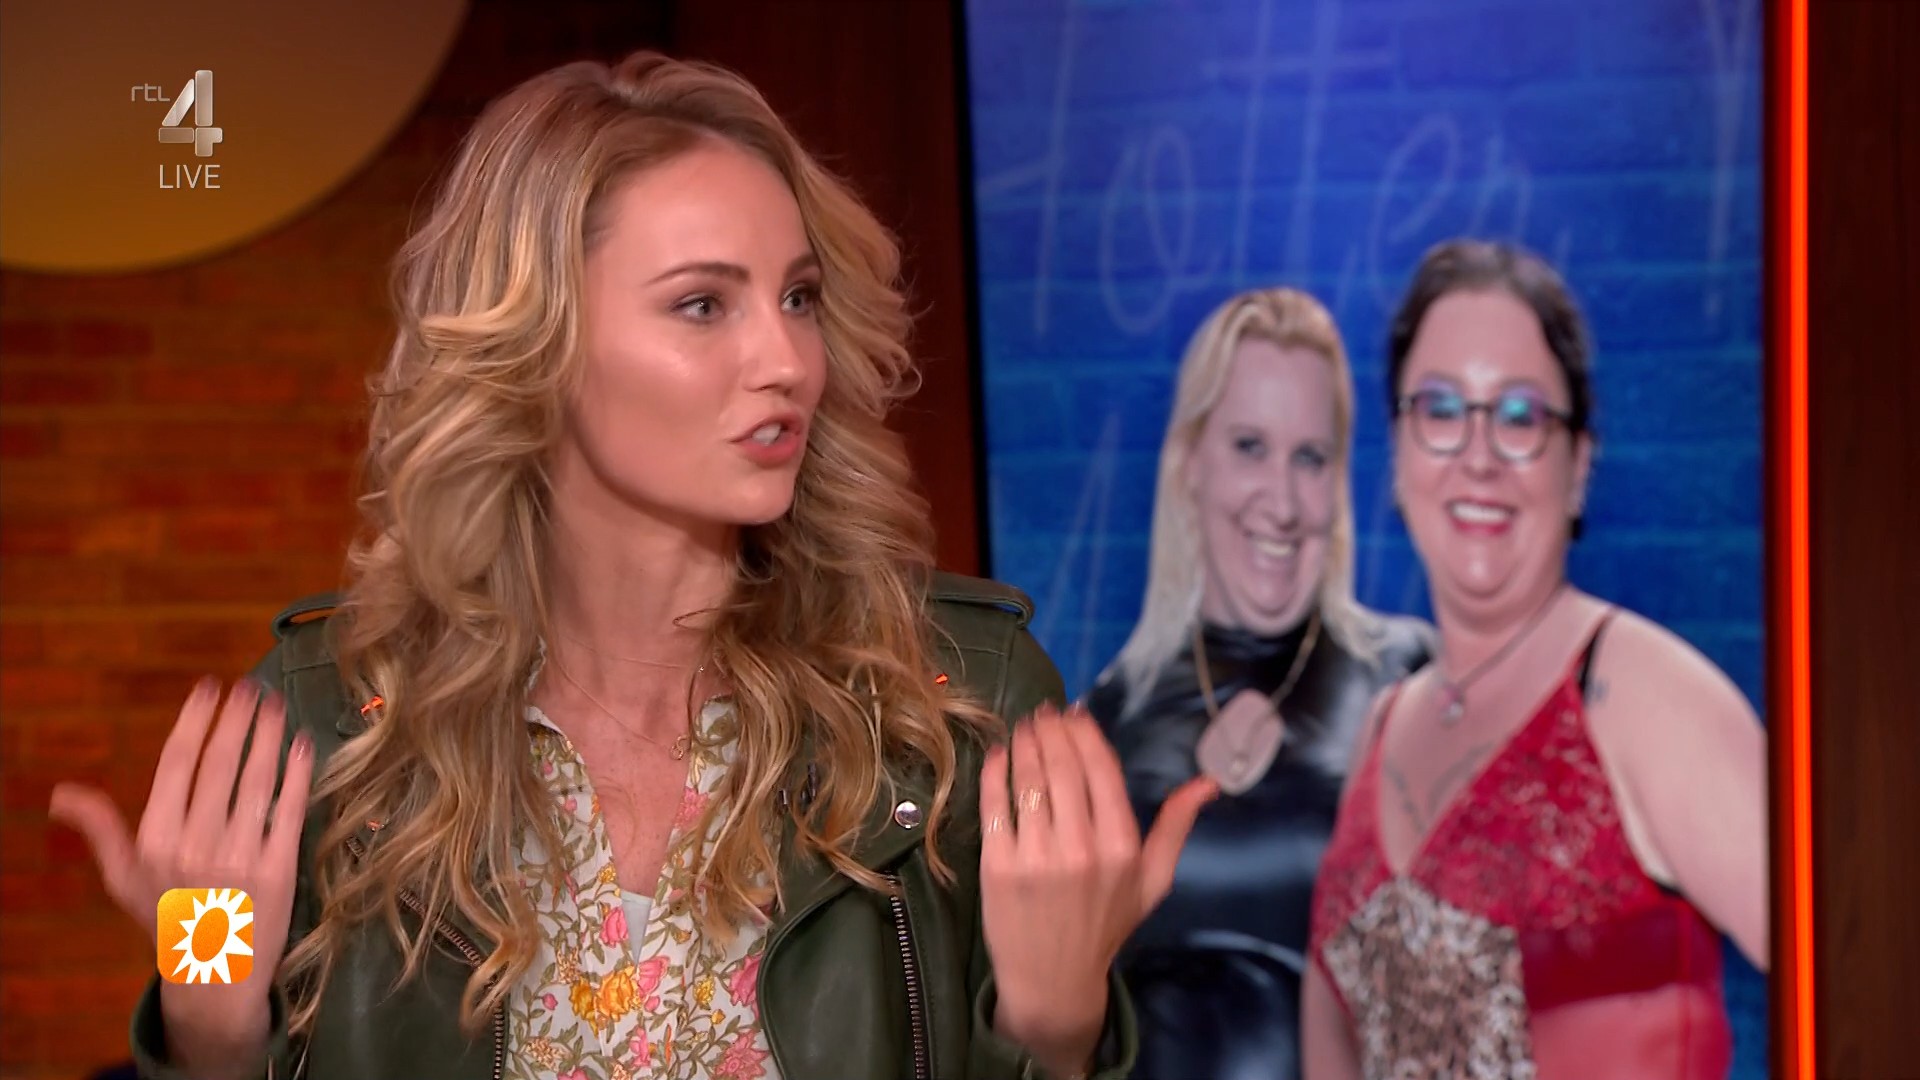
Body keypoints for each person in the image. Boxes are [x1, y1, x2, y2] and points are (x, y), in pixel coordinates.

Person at [48, 52, 1218, 1080]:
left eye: (799, 297)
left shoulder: (958, 700)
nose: (786, 359)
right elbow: (224, 1023)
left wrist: (1056, 1032)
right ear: (538, 344)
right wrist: (208, 1028)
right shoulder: (327, 717)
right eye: (704, 304)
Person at [1304, 240, 1769, 1080]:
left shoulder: (1645, 699)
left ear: (1578, 464)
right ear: (1399, 454)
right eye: (1441, 409)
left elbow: (1869, 967)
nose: (1479, 454)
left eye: (1520, 417)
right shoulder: (1381, 726)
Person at [1082, 288, 1432, 1080]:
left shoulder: (1408, 678)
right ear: (1190, 465)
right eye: (1249, 446)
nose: (1282, 502)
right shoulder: (1106, 719)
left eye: (1310, 458)